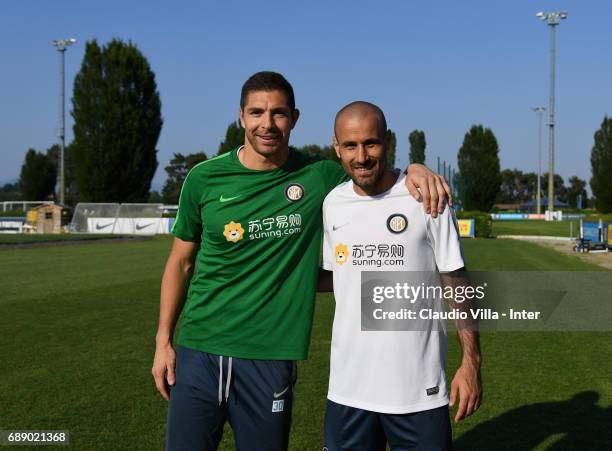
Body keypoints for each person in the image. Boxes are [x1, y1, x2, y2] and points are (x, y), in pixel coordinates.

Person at [151, 72, 452, 451]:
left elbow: (370, 170)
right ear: (241, 117)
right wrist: (164, 341)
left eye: (278, 113)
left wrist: (414, 170)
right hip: (199, 351)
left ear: (294, 118)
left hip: (270, 356)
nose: (267, 123)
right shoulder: (204, 178)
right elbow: (180, 263)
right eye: (257, 112)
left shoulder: (319, 177)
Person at [319, 101, 482, 450]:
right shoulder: (332, 204)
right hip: (348, 392)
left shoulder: (427, 198)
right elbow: (335, 278)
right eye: (350, 146)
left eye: (371, 143)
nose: (361, 156)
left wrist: (471, 362)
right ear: (336, 147)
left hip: (418, 394)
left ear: (388, 140)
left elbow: (457, 282)